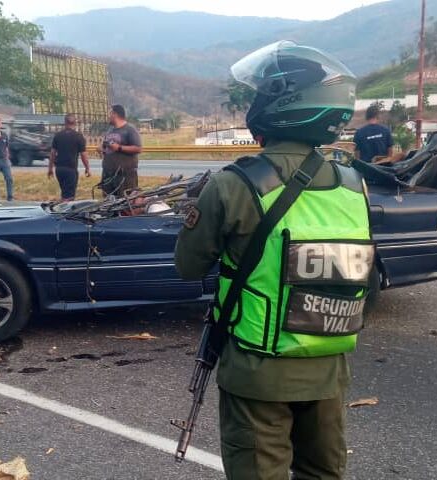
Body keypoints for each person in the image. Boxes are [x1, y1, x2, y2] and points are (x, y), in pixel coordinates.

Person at [175, 41, 372, 480]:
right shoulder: (353, 184)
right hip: (329, 369)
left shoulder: (235, 184)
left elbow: (187, 265)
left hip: (256, 373)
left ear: (280, 103)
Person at [101, 105, 142, 197]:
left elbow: (138, 148)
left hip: (125, 176)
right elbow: (107, 147)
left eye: (110, 113)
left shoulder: (130, 130)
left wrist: (119, 148)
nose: (108, 116)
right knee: (108, 204)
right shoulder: (110, 130)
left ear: (115, 114)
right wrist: (102, 149)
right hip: (108, 175)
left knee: (125, 204)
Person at [48, 114, 91, 200]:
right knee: (69, 197)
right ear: (75, 123)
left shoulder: (58, 135)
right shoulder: (78, 136)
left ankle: (63, 208)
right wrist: (87, 168)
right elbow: (83, 155)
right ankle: (65, 212)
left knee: (64, 193)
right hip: (70, 170)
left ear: (65, 122)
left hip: (59, 170)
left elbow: (52, 153)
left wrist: (50, 169)